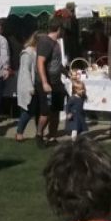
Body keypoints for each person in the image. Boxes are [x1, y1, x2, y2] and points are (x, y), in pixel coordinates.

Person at [35, 18, 67, 148]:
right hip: (47, 83)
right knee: (46, 112)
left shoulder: (56, 43)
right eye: (62, 29)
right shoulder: (45, 42)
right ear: (59, 29)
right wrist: (44, 82)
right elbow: (40, 62)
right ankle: (39, 134)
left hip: (56, 82)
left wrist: (67, 72)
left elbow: (57, 63)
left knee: (56, 111)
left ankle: (52, 136)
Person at [15, 32, 39, 142]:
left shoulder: (37, 52)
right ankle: (19, 132)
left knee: (38, 110)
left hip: (37, 84)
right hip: (28, 85)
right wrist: (30, 87)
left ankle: (39, 133)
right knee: (28, 110)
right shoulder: (27, 53)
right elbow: (25, 71)